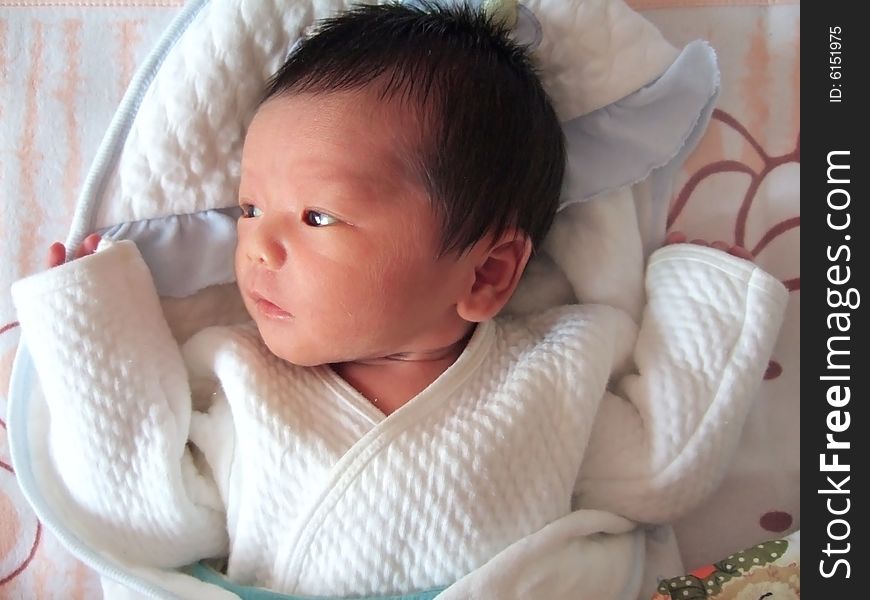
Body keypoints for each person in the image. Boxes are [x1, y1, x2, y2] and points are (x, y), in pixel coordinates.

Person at [13, 3, 787, 599]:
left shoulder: (560, 366)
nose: (257, 247)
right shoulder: (240, 383)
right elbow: (143, 512)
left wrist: (706, 306)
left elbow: (662, 468)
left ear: (485, 275)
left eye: (317, 217)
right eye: (249, 210)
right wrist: (96, 328)